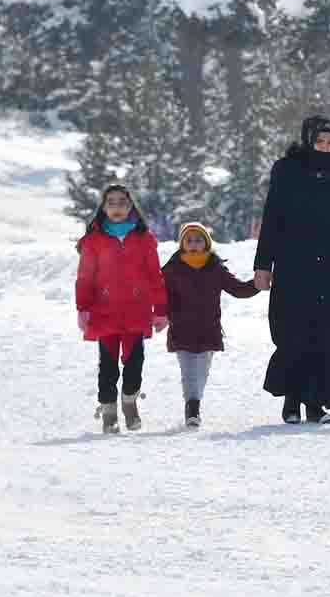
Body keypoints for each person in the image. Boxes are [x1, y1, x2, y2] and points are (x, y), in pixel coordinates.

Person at [253, 115, 330, 425]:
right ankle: (292, 400)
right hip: (295, 264)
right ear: (308, 140)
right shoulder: (287, 169)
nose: (325, 148)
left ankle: (317, 403)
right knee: (294, 332)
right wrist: (263, 265)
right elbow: (273, 217)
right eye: (319, 142)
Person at [76, 182, 167, 433]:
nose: (117, 207)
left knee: (135, 361)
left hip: (136, 310)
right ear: (103, 207)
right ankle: (109, 413)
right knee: (108, 365)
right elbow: (85, 276)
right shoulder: (94, 240)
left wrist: (160, 309)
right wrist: (83, 307)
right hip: (104, 311)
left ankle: (129, 401)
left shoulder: (144, 238)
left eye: (122, 202)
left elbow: (154, 275)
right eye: (111, 202)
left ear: (131, 207)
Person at [162, 222, 258, 427]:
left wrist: (256, 285)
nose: (194, 244)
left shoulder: (216, 268)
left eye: (198, 240)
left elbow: (238, 289)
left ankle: (195, 401)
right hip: (181, 329)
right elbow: (161, 296)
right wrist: (161, 315)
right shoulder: (172, 269)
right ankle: (192, 407)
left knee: (202, 371)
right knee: (188, 371)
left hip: (208, 329)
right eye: (189, 240)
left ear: (206, 243)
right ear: (182, 244)